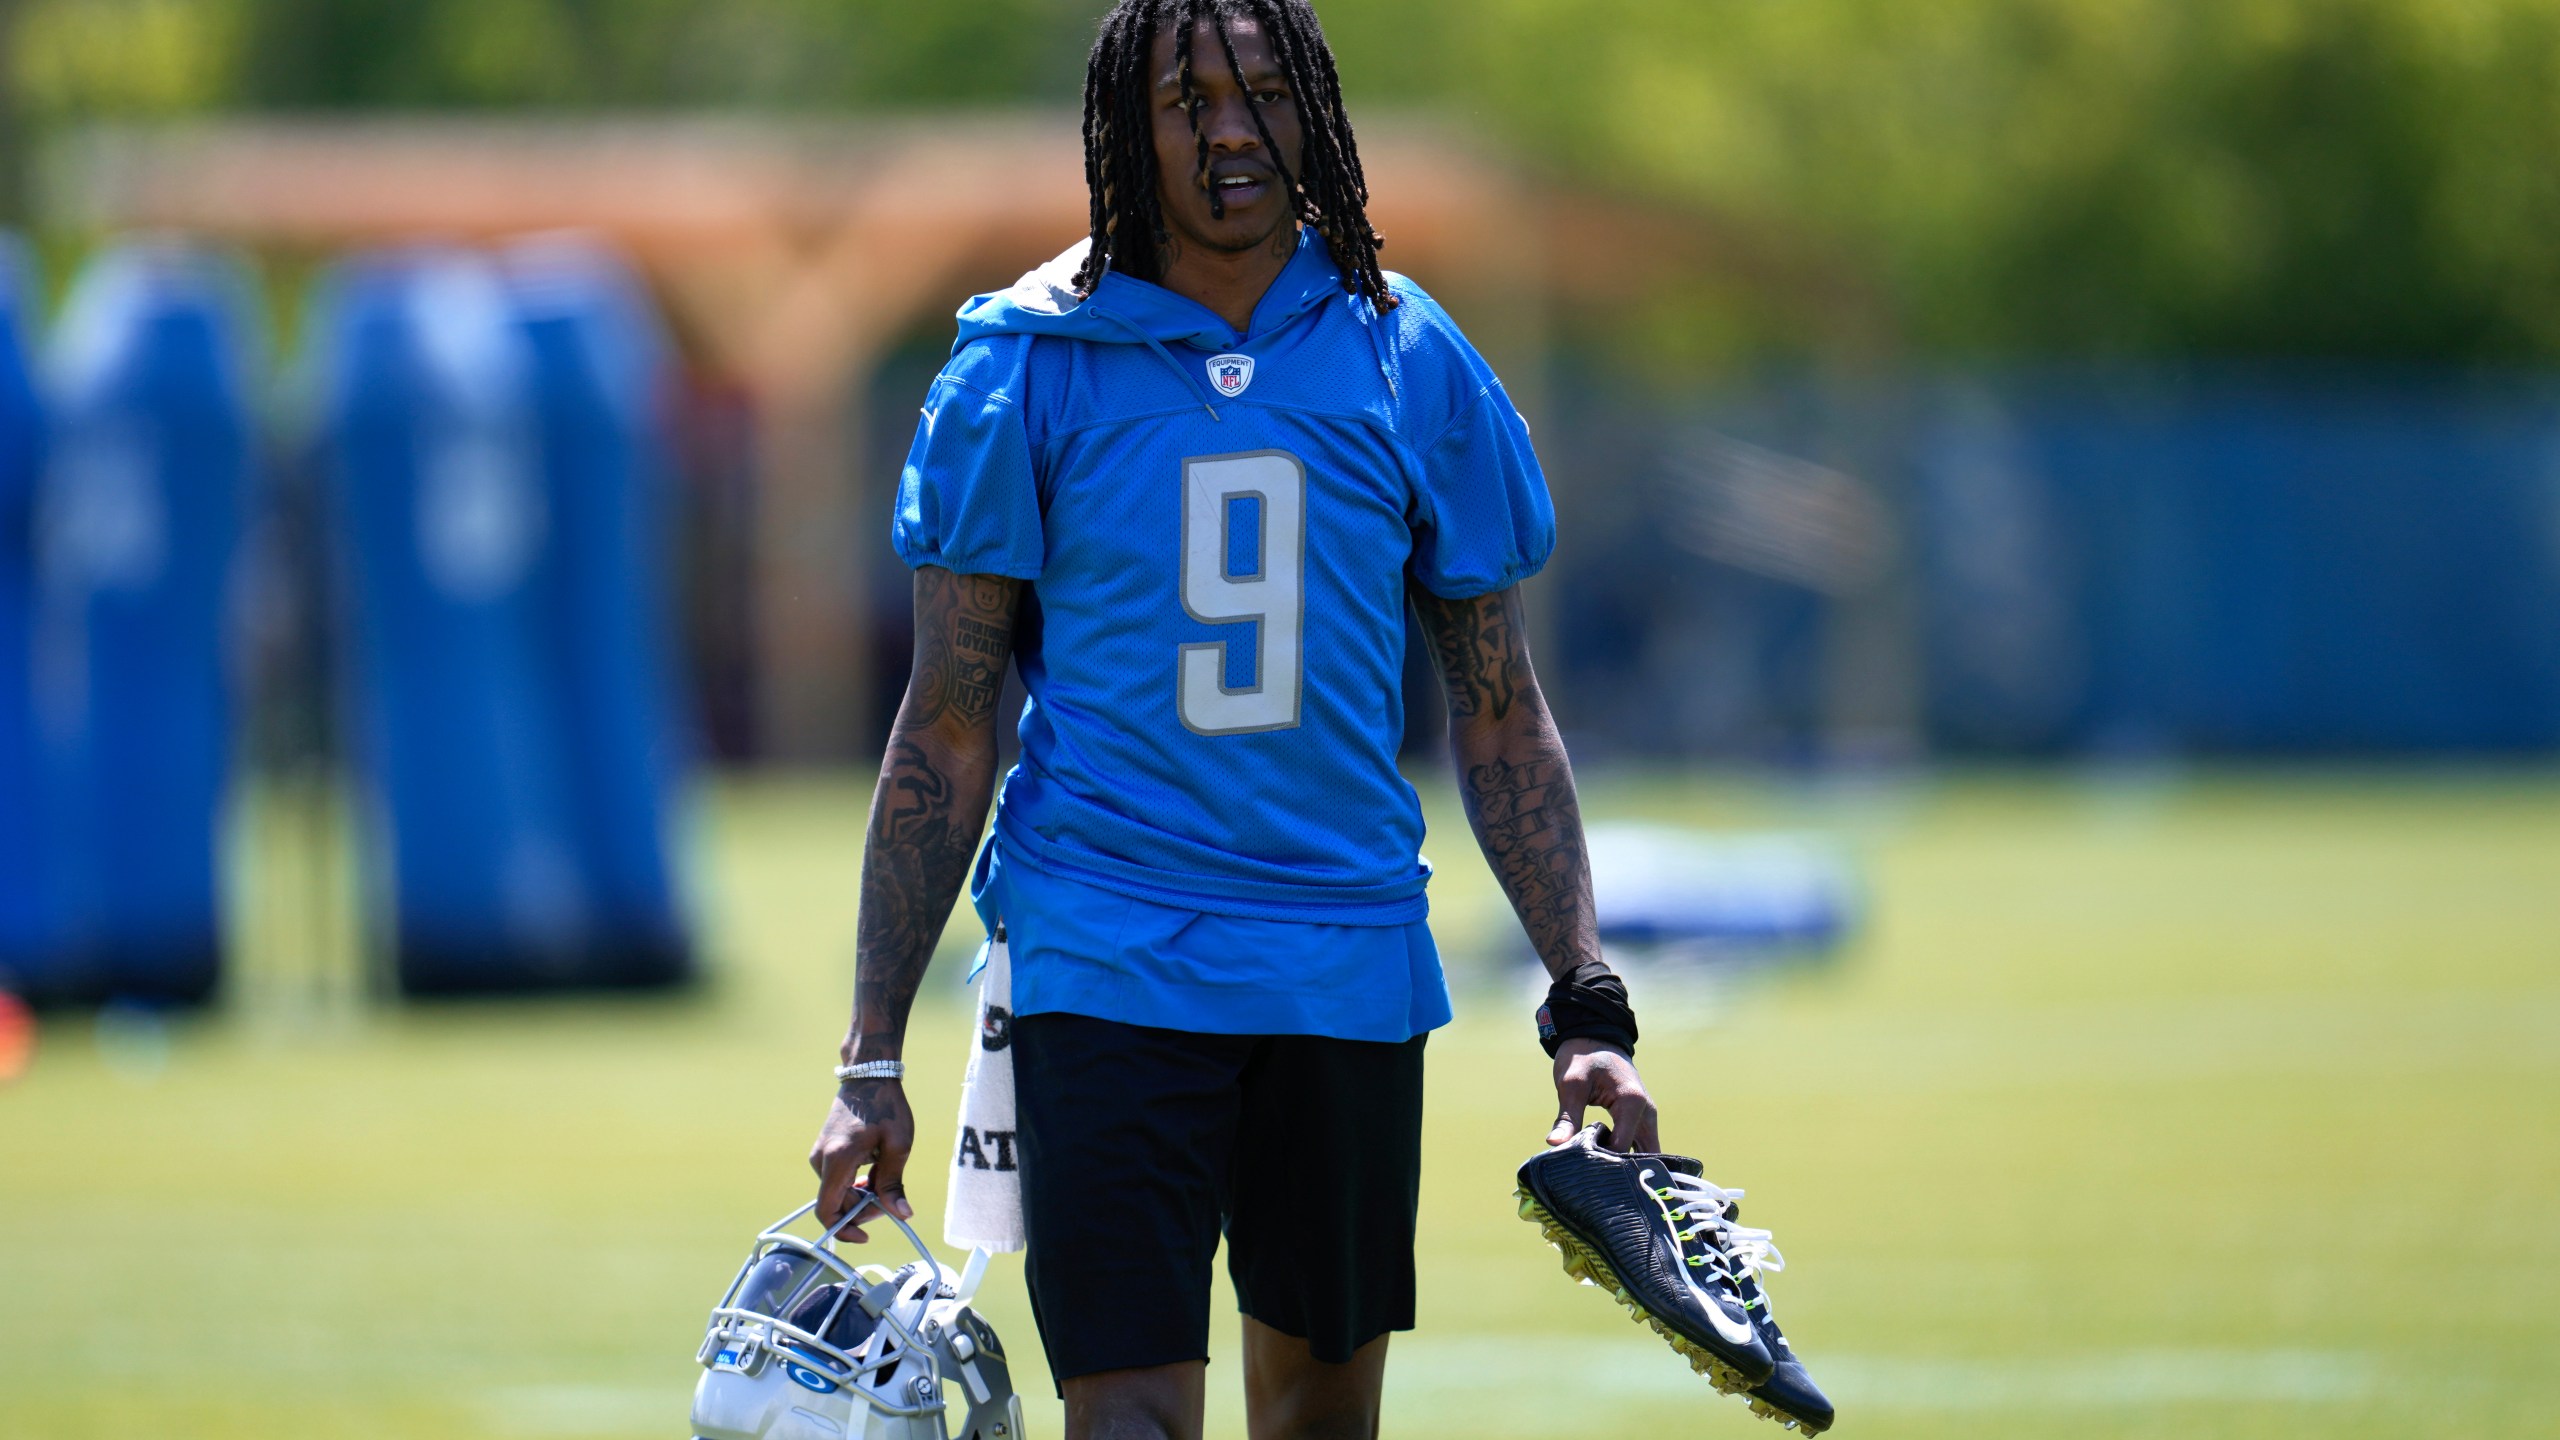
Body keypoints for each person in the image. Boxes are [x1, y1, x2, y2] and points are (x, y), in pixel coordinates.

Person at [808, 3, 1653, 1436]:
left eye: (1262, 91)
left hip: (1345, 956)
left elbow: (1502, 712)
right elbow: (947, 728)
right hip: (1102, 952)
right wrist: (871, 1058)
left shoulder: (1406, 353)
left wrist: (1587, 1002)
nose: (1231, 130)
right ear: (1122, 135)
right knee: (1127, 1409)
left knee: (1323, 1416)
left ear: (1313, 110)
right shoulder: (1022, 363)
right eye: (1186, 99)